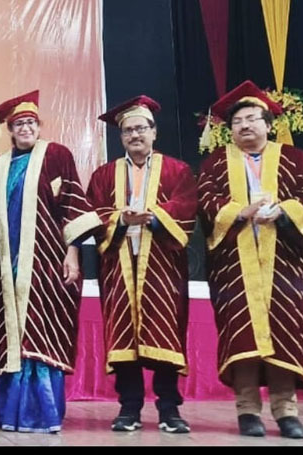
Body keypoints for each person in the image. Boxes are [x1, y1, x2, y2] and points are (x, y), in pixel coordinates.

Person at [197, 80, 303, 439]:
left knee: (284, 335)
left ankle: (287, 412)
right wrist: (241, 212)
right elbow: (206, 199)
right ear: (230, 129)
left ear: (268, 124)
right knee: (243, 340)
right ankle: (247, 412)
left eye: (253, 118)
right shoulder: (215, 164)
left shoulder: (296, 160)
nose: (245, 126)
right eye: (238, 121)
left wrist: (284, 212)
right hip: (234, 267)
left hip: (284, 264)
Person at [0, 90, 98, 433]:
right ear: (10, 129)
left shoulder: (56, 155)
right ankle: (10, 414)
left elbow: (73, 204)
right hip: (7, 264)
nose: (26, 128)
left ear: (39, 125)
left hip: (48, 261)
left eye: (31, 122)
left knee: (42, 329)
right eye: (19, 124)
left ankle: (45, 414)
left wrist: (73, 252)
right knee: (12, 334)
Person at [87, 96, 197, 433]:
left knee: (164, 330)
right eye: (128, 130)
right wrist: (121, 218)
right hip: (119, 263)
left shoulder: (178, 170)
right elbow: (94, 212)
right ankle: (129, 408)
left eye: (141, 128)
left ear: (154, 132)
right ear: (120, 137)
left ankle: (169, 410)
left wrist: (154, 217)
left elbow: (187, 204)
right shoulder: (105, 174)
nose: (135, 135)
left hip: (162, 263)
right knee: (122, 331)